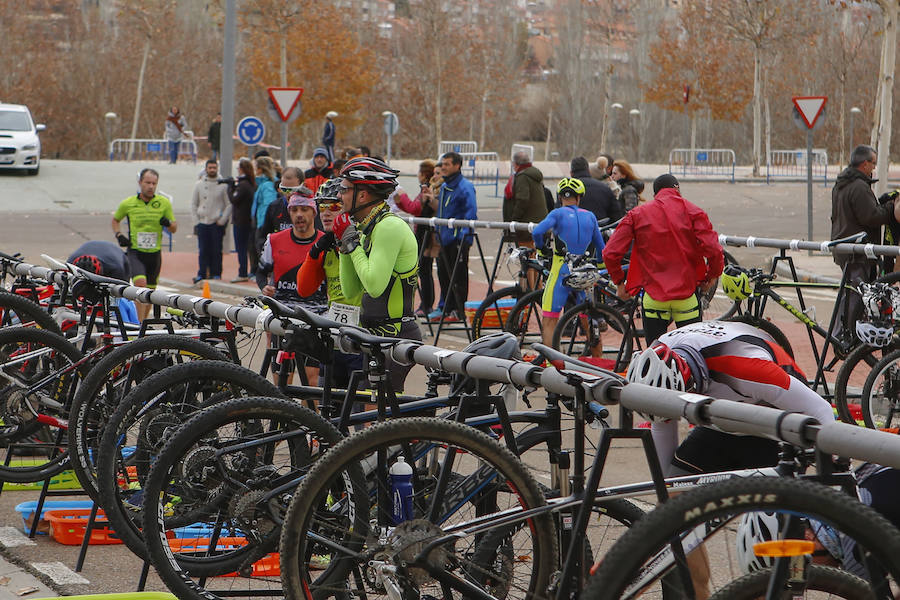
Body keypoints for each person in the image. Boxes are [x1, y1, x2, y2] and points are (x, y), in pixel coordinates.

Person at [332, 156, 422, 391]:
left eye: (344, 189)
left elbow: (374, 286)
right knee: (368, 415)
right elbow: (350, 289)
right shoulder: (367, 229)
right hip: (373, 336)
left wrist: (351, 243)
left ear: (362, 194)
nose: (339, 195)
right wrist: (344, 246)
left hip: (396, 334)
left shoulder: (388, 227)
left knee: (376, 419)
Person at [603, 174, 723, 344]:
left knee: (655, 356)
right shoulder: (694, 212)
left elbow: (610, 252)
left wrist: (620, 283)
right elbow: (714, 250)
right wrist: (712, 276)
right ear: (677, 190)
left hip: (653, 298)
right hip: (686, 297)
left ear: (655, 194)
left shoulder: (637, 214)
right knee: (692, 355)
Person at [297, 179, 363, 389]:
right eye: (322, 206)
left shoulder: (363, 241)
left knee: (366, 413)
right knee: (330, 411)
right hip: (335, 334)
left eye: (333, 206)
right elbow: (304, 289)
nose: (325, 212)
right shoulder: (326, 244)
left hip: (363, 336)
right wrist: (314, 253)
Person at [256, 193, 328, 384]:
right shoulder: (274, 240)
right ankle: (283, 415)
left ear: (314, 212)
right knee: (281, 382)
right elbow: (261, 273)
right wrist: (264, 287)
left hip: (315, 319)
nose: (299, 214)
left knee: (311, 383)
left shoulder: (326, 242)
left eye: (304, 209)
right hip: (282, 319)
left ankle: (305, 415)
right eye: (294, 210)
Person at [831, 144, 900, 341]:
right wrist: (889, 206)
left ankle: (844, 335)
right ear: (864, 163)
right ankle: (843, 337)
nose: (874, 169)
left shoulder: (843, 183)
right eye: (873, 164)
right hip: (858, 252)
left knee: (849, 295)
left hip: (845, 247)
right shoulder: (859, 186)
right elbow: (871, 217)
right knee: (856, 297)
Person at [531, 178, 606, 351]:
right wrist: (601, 269)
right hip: (584, 271)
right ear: (579, 197)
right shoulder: (590, 216)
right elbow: (602, 248)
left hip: (561, 270)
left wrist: (541, 250)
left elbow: (537, 231)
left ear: (559, 197)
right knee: (589, 319)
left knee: (550, 318)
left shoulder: (557, 213)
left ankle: (552, 362)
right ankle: (597, 361)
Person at [111, 168, 177, 321]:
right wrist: (119, 235)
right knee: (140, 286)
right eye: (147, 182)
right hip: (136, 252)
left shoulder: (163, 203)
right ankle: (138, 326)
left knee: (150, 294)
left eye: (154, 183)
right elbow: (115, 220)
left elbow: (174, 228)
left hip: (154, 255)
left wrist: (168, 224)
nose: (151, 186)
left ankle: (142, 323)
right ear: (140, 182)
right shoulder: (128, 203)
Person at [430, 151, 477, 323]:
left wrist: (464, 238)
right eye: (442, 164)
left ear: (457, 165)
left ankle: (458, 311)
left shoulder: (465, 187)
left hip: (458, 240)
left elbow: (470, 213)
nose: (443, 167)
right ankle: (446, 308)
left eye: (447, 164)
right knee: (443, 275)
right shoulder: (444, 186)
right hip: (443, 238)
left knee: (458, 276)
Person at [393, 159, 438, 317]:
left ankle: (427, 305)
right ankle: (426, 304)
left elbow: (415, 208)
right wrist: (399, 202)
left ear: (424, 174)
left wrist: (401, 194)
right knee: (424, 271)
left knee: (424, 271)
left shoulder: (428, 190)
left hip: (426, 234)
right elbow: (414, 208)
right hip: (423, 232)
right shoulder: (425, 189)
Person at [191, 159, 231, 284]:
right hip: (202, 222)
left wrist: (222, 219)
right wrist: (196, 221)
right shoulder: (199, 184)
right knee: (203, 250)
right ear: (206, 169)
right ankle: (202, 273)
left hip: (216, 223)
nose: (212, 170)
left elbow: (229, 204)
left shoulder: (223, 185)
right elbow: (193, 203)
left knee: (216, 250)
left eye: (214, 167)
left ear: (217, 168)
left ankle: (216, 273)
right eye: (210, 168)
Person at [504, 151, 548, 247]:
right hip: (540, 224)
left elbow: (522, 200)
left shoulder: (522, 177)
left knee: (527, 257)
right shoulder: (534, 175)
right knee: (538, 257)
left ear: (516, 164)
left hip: (527, 228)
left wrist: (514, 221)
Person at [570, 156, 622, 225]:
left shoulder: (567, 189)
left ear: (571, 173)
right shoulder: (605, 188)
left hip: (573, 230)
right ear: (588, 170)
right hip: (600, 230)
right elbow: (616, 216)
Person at [228, 157, 256, 282]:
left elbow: (234, 200)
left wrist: (230, 187)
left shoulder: (243, 185)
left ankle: (243, 272)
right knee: (249, 247)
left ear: (242, 169)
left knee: (241, 247)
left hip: (241, 221)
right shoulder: (250, 183)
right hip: (248, 220)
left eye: (238, 168)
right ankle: (251, 271)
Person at [251, 156, 278, 259]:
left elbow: (269, 205)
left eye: (255, 168)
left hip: (263, 224)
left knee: (263, 253)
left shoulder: (267, 185)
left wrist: (263, 224)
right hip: (261, 222)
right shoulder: (264, 184)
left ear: (260, 169)